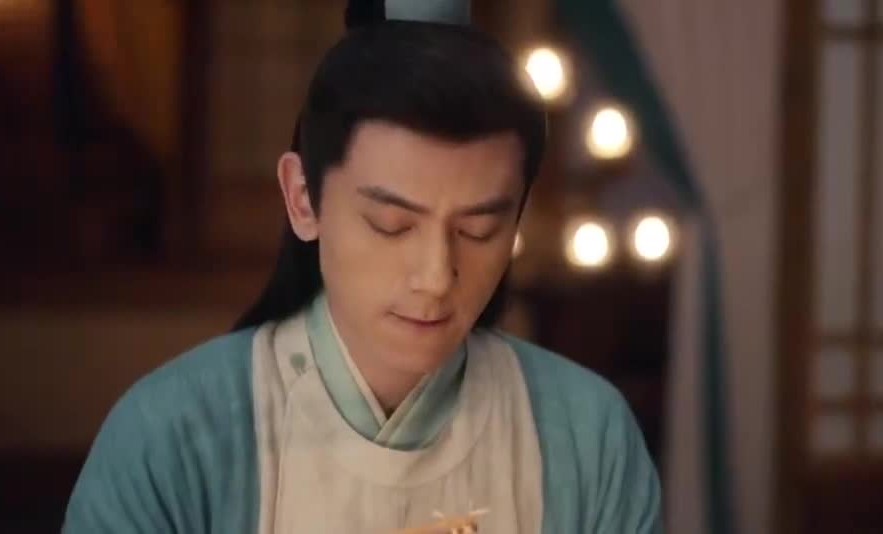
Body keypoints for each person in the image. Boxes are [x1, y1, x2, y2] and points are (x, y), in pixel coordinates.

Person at [62, 1, 662, 532]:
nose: (436, 277)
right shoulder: (174, 437)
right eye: (391, 225)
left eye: (478, 230)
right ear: (303, 198)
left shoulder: (587, 436)